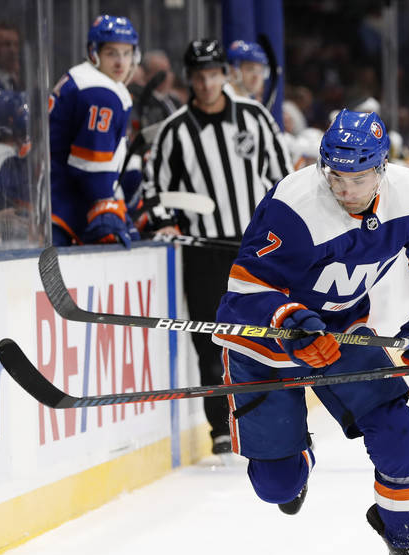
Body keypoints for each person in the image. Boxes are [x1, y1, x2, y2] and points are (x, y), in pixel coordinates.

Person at [212, 109, 409, 555]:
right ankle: (297, 456)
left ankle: (408, 540)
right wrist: (290, 321)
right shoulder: (295, 204)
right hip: (266, 342)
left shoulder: (408, 193)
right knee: (277, 487)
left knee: (399, 434)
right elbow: (245, 287)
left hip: (343, 335)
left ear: (382, 168)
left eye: (358, 177)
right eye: (336, 175)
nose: (345, 188)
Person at [142, 39, 291, 462]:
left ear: (224, 74)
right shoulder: (175, 131)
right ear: (189, 79)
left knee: (264, 338)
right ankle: (221, 429)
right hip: (203, 254)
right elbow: (154, 189)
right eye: (198, 76)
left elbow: (282, 178)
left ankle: (272, 420)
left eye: (213, 74)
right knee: (211, 341)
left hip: (254, 251)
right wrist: (164, 221)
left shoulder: (255, 118)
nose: (206, 84)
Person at [48, 14, 140, 248]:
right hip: (61, 209)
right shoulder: (100, 93)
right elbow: (91, 167)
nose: (121, 62)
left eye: (126, 53)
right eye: (112, 53)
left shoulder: (85, 77)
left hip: (53, 200)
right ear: (94, 52)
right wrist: (105, 204)